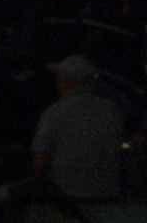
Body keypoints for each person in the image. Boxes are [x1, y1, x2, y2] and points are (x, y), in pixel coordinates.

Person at [28, 52, 128, 202]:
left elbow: (40, 162)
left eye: (59, 78)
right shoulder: (112, 110)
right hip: (107, 195)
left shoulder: (54, 112)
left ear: (66, 82)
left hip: (65, 198)